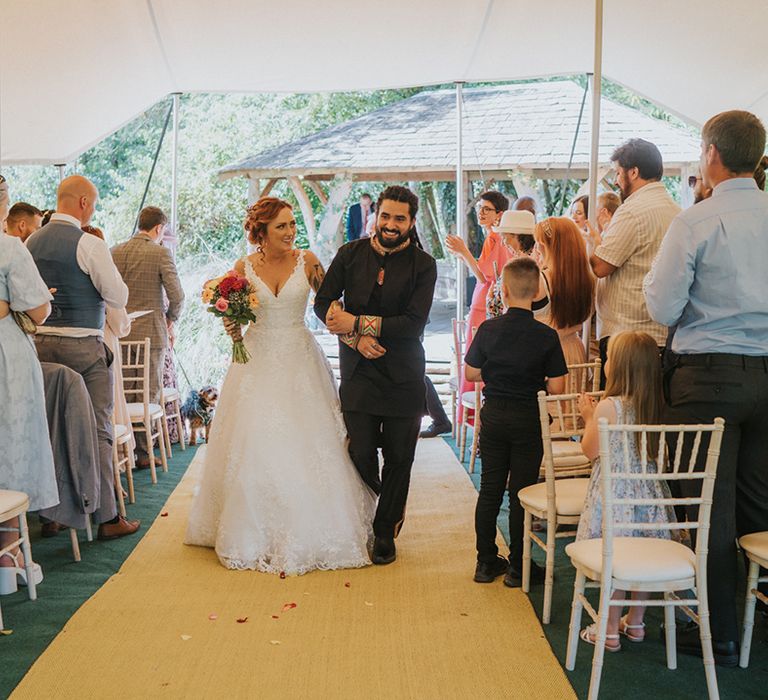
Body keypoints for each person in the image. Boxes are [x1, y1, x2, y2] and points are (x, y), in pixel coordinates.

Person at [186, 197, 375, 574]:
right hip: (255, 359)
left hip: (300, 360)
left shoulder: (309, 262)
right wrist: (231, 324)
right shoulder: (243, 268)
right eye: (281, 227)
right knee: (254, 438)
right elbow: (228, 304)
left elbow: (328, 309)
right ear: (261, 233)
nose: (290, 232)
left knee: (308, 439)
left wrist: (356, 337)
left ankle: (315, 524)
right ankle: (251, 527)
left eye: (292, 225)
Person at [644, 109, 768, 667]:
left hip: (709, 376)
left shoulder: (695, 222)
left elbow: (664, 306)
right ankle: (756, 613)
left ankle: (717, 632)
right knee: (759, 499)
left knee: (707, 506)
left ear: (711, 154)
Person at [314, 185, 437, 565]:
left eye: (399, 218)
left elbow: (413, 322)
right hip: (359, 372)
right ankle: (378, 503)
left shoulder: (424, 264)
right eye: (385, 216)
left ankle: (385, 531)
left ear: (411, 223)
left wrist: (359, 321)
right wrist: (354, 337)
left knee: (401, 456)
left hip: (403, 374)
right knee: (360, 449)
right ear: (375, 216)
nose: (390, 224)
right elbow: (322, 303)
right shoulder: (350, 255)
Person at [26, 175, 139, 540]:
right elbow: (117, 294)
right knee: (98, 430)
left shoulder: (30, 241)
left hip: (40, 347)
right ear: (83, 204)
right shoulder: (88, 244)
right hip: (82, 349)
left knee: (49, 428)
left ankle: (53, 515)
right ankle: (107, 516)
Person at [575, 331, 682, 651]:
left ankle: (608, 629)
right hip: (649, 495)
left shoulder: (609, 406)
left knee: (617, 559)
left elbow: (590, 450)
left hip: (616, 495)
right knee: (643, 555)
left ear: (618, 367)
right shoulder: (655, 405)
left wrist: (589, 416)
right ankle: (635, 622)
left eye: (609, 359)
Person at [465, 257, 567, 585]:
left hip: (494, 417)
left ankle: (485, 561)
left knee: (490, 489)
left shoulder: (489, 329)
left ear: (504, 291)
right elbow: (556, 386)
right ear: (537, 290)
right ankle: (518, 566)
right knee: (521, 492)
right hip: (528, 420)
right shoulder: (545, 335)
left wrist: (495, 370)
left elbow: (470, 372)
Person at [590, 139, 680, 388]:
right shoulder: (675, 210)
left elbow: (601, 267)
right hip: (661, 333)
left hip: (626, 334)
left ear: (634, 172)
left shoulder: (632, 211)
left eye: (618, 172)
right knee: (648, 414)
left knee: (617, 418)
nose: (617, 180)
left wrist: (588, 246)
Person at [0, 234, 58, 593]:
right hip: (5, 354)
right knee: (10, 444)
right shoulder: (8, 246)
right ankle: (8, 554)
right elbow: (39, 310)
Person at [111, 206, 184, 466]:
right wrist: (170, 319)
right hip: (151, 334)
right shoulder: (160, 252)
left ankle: (123, 451)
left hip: (118, 333)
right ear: (159, 228)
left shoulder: (114, 251)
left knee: (121, 391)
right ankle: (144, 453)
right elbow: (177, 295)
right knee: (147, 392)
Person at [445, 191, 510, 395]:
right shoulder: (494, 237)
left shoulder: (496, 238)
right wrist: (463, 256)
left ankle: (476, 409)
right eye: (479, 208)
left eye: (486, 209)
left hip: (485, 303)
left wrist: (464, 252)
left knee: (477, 355)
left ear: (499, 213)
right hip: (483, 300)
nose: (480, 213)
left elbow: (484, 277)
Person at [533, 217, 595, 365]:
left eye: (539, 242)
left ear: (547, 246)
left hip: (546, 355)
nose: (537, 247)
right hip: (574, 351)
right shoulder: (587, 280)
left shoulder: (540, 281)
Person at [487, 209, 548, 319]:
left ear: (516, 236)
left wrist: (491, 299)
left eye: (504, 237)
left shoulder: (523, 267)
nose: (503, 242)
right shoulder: (536, 261)